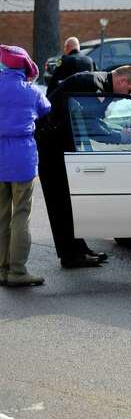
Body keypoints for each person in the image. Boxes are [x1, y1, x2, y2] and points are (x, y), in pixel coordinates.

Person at [38, 66, 131, 269]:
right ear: (122, 80)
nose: (126, 96)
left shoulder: (98, 84)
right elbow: (90, 125)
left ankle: (79, 249)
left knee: (69, 204)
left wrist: (116, 132)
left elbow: (93, 120)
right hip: (52, 147)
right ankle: (70, 255)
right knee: (61, 204)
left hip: (58, 146)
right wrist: (118, 137)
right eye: (129, 91)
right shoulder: (93, 85)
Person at [0, 46, 51, 287]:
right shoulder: (32, 91)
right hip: (22, 157)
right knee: (21, 213)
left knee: (1, 215)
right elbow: (46, 109)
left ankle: (1, 269)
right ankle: (17, 271)